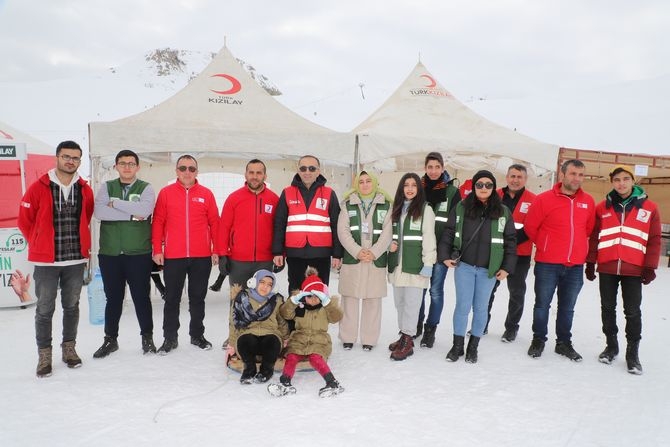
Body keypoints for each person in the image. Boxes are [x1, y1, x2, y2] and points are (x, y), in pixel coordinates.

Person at [17, 140, 94, 377]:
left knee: (71, 307)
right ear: (57, 157)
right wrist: (39, 242)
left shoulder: (84, 189)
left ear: (80, 161)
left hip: (74, 260)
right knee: (44, 308)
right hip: (46, 262)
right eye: (66, 156)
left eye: (75, 158)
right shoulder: (39, 186)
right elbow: (25, 220)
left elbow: (87, 215)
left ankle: (69, 349)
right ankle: (44, 354)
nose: (70, 161)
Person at [586, 165, 661, 375]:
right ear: (612, 182)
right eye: (617, 179)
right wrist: (591, 262)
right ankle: (611, 346)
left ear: (633, 181)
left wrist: (650, 266)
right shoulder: (602, 207)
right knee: (607, 308)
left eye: (625, 179)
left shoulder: (650, 208)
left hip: (634, 270)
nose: (621, 183)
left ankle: (632, 354)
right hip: (608, 267)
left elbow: (654, 240)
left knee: (633, 311)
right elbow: (594, 237)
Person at [439, 170, 517, 363]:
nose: (484, 188)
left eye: (488, 185)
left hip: (488, 270)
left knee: (481, 308)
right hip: (464, 266)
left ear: (494, 188)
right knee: (462, 307)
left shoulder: (503, 211)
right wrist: (445, 255)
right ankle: (457, 347)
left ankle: (473, 346)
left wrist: (506, 267)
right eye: (480, 184)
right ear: (473, 187)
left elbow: (510, 241)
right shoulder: (462, 207)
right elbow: (449, 231)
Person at [524, 159, 595, 361]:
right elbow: (531, 227)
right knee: (542, 304)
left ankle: (563, 343)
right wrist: (547, 245)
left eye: (581, 175)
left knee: (567, 307)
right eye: (573, 174)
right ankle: (538, 339)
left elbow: (587, 229)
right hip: (548, 264)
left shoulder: (588, 201)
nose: (577, 179)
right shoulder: (544, 199)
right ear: (562, 175)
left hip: (574, 266)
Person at [152, 155, 219, 354]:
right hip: (174, 255)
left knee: (197, 298)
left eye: (191, 168)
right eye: (183, 168)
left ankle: (197, 335)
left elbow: (215, 223)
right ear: (176, 171)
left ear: (197, 172)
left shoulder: (206, 194)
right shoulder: (166, 193)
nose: (187, 172)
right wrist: (157, 249)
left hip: (201, 256)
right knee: (171, 298)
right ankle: (169, 338)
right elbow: (158, 222)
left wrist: (216, 250)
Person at [92, 149, 156, 358]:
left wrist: (116, 204)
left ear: (138, 166)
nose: (127, 167)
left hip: (138, 253)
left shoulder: (146, 188)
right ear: (116, 166)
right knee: (114, 298)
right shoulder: (106, 187)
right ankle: (110, 339)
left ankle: (147, 337)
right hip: (110, 253)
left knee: (141, 297)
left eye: (131, 163)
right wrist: (132, 213)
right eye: (122, 163)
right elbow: (100, 212)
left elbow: (145, 211)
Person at [217, 159, 279, 344]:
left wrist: (279, 254)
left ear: (265, 176)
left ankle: (259, 335)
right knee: (237, 299)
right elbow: (224, 227)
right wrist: (222, 254)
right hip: (238, 261)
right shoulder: (234, 198)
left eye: (259, 172)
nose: (255, 176)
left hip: (264, 260)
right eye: (251, 172)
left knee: (262, 299)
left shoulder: (274, 199)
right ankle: (234, 336)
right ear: (246, 175)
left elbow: (279, 229)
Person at [337, 170, 393, 351]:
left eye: (369, 181)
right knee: (350, 299)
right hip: (354, 259)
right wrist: (357, 251)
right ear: (356, 184)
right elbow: (342, 231)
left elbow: (387, 233)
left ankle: (369, 338)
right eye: (361, 181)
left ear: (375, 183)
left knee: (372, 300)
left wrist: (374, 252)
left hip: (375, 260)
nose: (365, 184)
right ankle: (347, 336)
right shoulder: (348, 205)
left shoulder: (386, 205)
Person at [268, 268, 344, 398]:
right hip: (299, 339)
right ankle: (285, 383)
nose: (313, 299)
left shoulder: (325, 308)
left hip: (319, 340)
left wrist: (327, 302)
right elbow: (285, 314)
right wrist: (293, 301)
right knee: (291, 356)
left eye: (317, 296)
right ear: (304, 296)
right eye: (309, 296)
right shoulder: (299, 307)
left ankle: (332, 382)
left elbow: (336, 317)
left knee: (315, 357)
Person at [272, 155, 343, 295]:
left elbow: (337, 225)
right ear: (298, 170)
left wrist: (337, 254)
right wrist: (277, 251)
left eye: (312, 168)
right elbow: (279, 224)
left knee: (320, 292)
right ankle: (296, 317)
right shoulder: (287, 192)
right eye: (303, 168)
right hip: (295, 253)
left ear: (318, 171)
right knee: (296, 292)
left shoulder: (329, 194)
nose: (307, 172)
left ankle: (319, 317)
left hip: (321, 254)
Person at [387, 173, 436, 361]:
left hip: (416, 267)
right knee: (399, 303)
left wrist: (428, 263)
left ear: (419, 189)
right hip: (398, 265)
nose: (409, 188)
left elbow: (429, 238)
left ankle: (408, 339)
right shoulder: (397, 209)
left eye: (413, 185)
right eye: (406, 185)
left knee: (411, 305)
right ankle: (403, 335)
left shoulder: (425, 210)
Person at [485, 164, 536, 342]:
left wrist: (510, 243)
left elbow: (531, 228)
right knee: (488, 290)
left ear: (525, 179)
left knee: (516, 292)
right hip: (494, 253)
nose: (515, 180)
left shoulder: (533, 200)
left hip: (520, 254)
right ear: (507, 177)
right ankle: (482, 324)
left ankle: (511, 328)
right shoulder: (494, 195)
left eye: (519, 177)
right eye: (512, 176)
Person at [417, 151, 461, 348]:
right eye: (429, 167)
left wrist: (451, 251)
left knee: (435, 291)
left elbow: (456, 224)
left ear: (443, 168)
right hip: (419, 250)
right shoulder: (417, 188)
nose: (433, 171)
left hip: (441, 252)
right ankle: (415, 324)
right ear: (425, 168)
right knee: (418, 290)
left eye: (437, 167)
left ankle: (430, 329)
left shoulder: (452, 192)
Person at [228, 269, 287, 384]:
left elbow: (282, 321)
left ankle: (267, 370)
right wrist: (232, 343)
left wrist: (286, 338)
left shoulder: (276, 300)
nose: (265, 287)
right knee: (245, 340)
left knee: (272, 341)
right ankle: (249, 369)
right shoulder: (242, 298)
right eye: (262, 282)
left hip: (270, 334)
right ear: (254, 282)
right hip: (249, 335)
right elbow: (234, 322)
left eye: (269, 285)